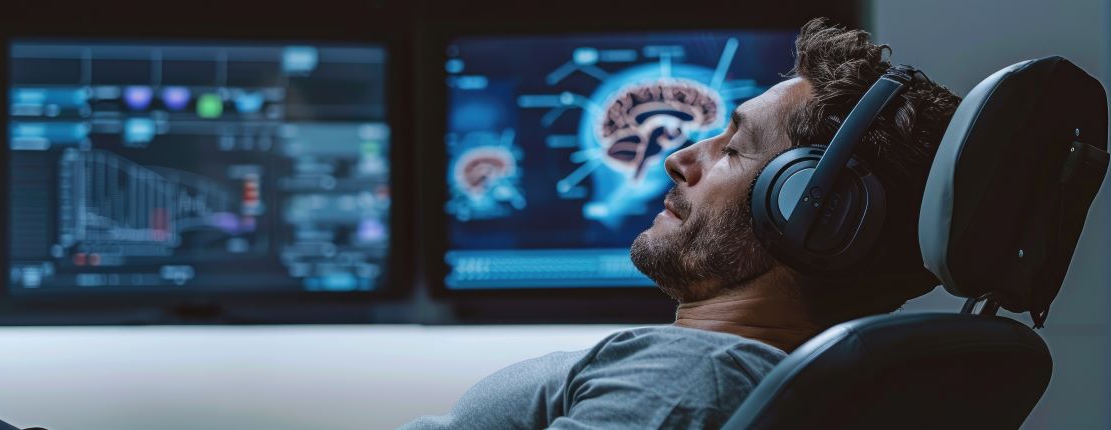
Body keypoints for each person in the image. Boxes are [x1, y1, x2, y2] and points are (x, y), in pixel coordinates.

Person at [400, 18, 962, 429]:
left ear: (811, 214)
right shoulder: (785, 381)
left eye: (733, 148)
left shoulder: (692, 378)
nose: (678, 159)